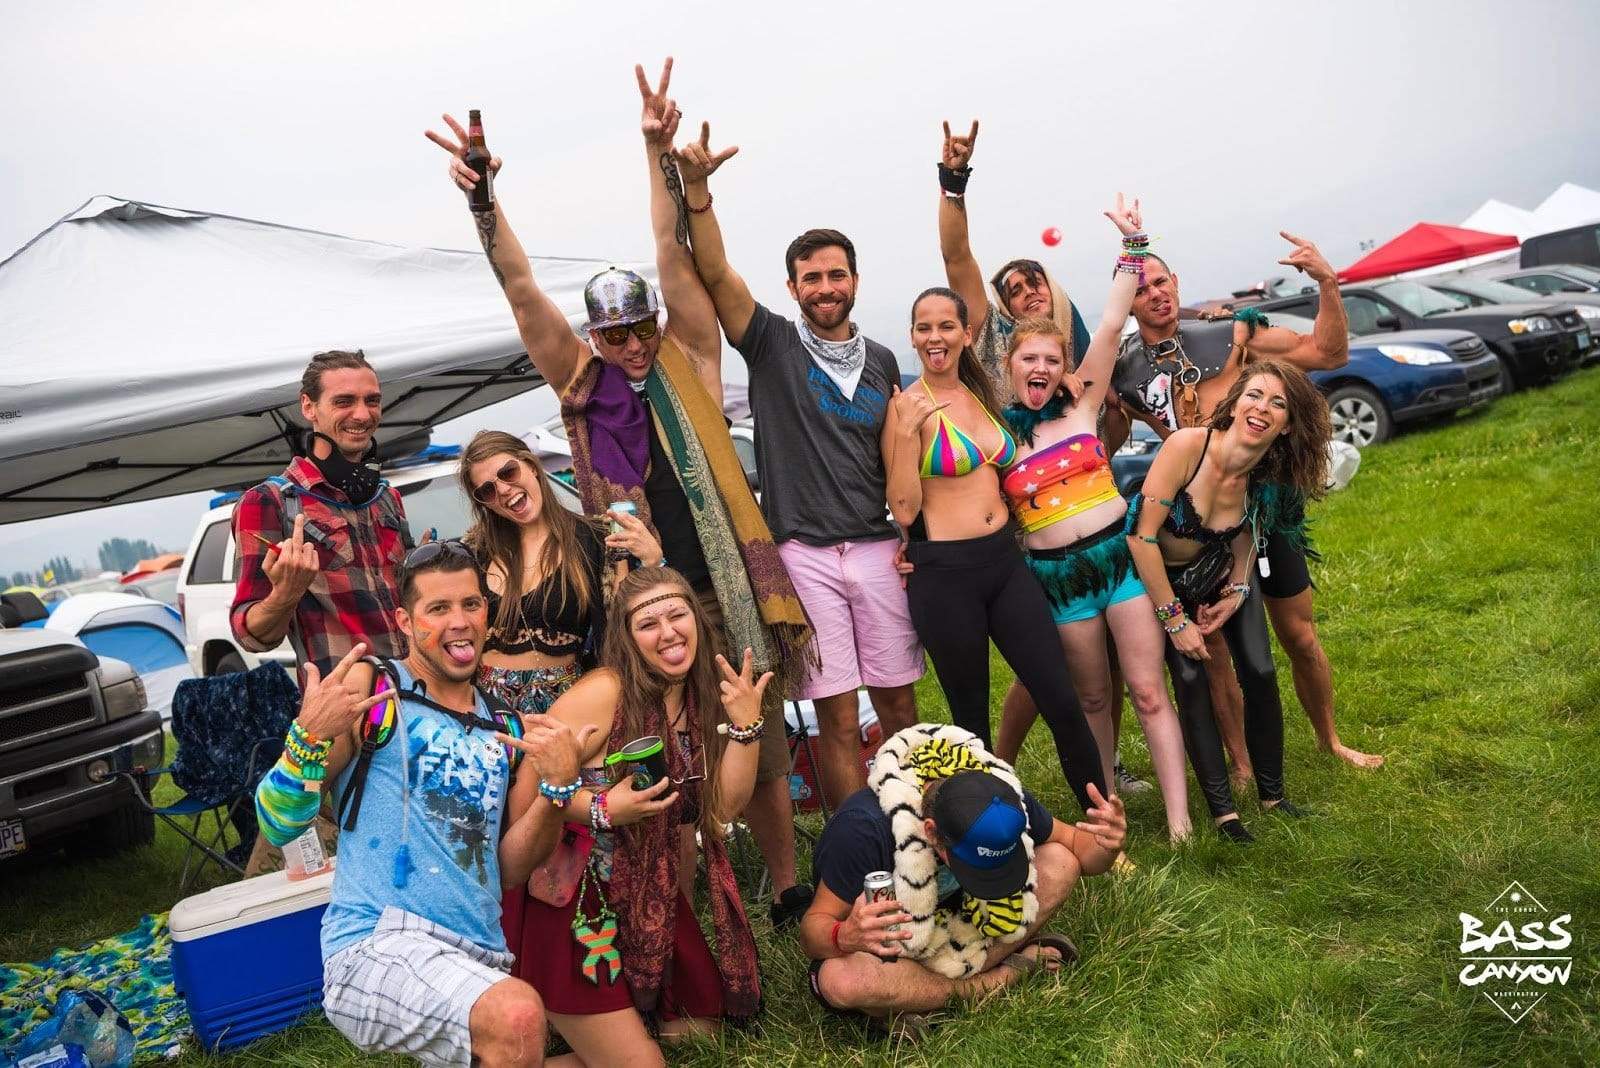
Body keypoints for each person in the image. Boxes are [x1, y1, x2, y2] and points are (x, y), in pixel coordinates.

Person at [424, 60, 817, 928]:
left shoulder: (692, 358)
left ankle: (785, 883)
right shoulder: (580, 383)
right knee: (663, 752)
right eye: (616, 334)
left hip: (723, 587)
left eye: (642, 327)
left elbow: (674, 255)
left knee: (761, 732)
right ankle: (682, 906)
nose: (634, 345)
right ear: (596, 336)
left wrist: (654, 153)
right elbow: (521, 290)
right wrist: (484, 202)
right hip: (637, 602)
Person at [252, 542, 585, 1067]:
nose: (460, 622)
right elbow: (277, 825)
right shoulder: (375, 691)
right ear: (406, 621)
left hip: (478, 954)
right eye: (439, 609)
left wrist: (558, 789)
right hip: (375, 943)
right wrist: (306, 740)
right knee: (519, 1017)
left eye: (471, 605)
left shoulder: (506, 727)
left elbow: (511, 869)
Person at [674, 125, 923, 810]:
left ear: (854, 280)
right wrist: (699, 196)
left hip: (876, 549)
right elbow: (719, 276)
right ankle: (862, 849)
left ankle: (923, 825)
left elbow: (895, 463)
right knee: (838, 720)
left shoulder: (881, 362)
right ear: (792, 286)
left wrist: (911, 537)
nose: (824, 287)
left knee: (899, 705)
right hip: (804, 555)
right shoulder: (773, 344)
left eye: (835, 274)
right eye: (810, 278)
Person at [1107, 243, 1383, 772]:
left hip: (1263, 506)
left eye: (1160, 282)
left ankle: (1330, 742)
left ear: (1176, 282)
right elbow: (1104, 441)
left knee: (1299, 634)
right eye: (1140, 288)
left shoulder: (1229, 334)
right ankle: (1241, 766)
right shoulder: (1124, 374)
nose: (1155, 294)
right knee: (1215, 656)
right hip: (1196, 526)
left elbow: (1327, 353)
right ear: (1128, 299)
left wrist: (1327, 283)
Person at [934, 121, 1149, 791]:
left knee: (1102, 662)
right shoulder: (993, 346)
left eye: (1036, 280)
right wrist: (954, 184)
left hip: (1096, 521)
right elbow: (958, 261)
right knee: (1052, 666)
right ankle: (1012, 759)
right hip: (1033, 543)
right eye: (1014, 284)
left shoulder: (1071, 341)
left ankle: (1106, 766)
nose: (1026, 289)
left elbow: (1099, 428)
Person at [497, 567, 767, 1065]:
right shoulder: (605, 690)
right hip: (571, 896)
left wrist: (747, 727)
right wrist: (602, 808)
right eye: (648, 623)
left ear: (696, 620)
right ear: (626, 637)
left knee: (701, 1027)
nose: (667, 633)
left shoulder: (698, 695)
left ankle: (617, 1029)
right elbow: (526, 792)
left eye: (676, 614)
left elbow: (724, 807)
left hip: (648, 884)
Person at [994, 197, 1191, 842]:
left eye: (1052, 360)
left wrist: (1134, 247)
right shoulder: (997, 440)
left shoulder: (1079, 411)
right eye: (1030, 361)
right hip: (1059, 580)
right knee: (1094, 702)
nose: (1042, 370)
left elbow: (1109, 324)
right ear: (1010, 367)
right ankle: (1110, 818)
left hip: (1118, 563)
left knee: (1147, 691)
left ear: (1062, 369)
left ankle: (1181, 820)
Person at [881, 285, 1106, 811]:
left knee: (1060, 698)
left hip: (1005, 565)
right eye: (924, 327)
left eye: (945, 326)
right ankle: (991, 839)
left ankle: (1102, 827)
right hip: (945, 575)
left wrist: (1067, 381)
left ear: (967, 333)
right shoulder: (907, 407)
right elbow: (905, 509)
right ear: (913, 336)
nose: (935, 338)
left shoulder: (983, 395)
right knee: (971, 723)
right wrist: (908, 437)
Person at [801, 723, 1125, 1032]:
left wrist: (1106, 845)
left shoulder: (1000, 798)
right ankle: (999, 980)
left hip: (966, 930)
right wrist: (843, 935)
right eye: (973, 865)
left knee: (1061, 862)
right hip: (898, 947)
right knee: (838, 980)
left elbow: (1078, 850)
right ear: (932, 833)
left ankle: (914, 1001)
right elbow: (813, 931)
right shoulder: (863, 829)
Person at [1125, 360, 1330, 841]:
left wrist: (1238, 590)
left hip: (1219, 569)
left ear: (1286, 426)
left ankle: (1273, 796)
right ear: (1235, 401)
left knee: (1259, 669)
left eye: (1278, 404)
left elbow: (1244, 535)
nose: (1262, 409)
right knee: (1192, 678)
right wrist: (1175, 621)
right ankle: (1224, 815)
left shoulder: (1266, 475)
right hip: (1157, 578)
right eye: (1255, 395)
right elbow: (1141, 540)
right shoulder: (1187, 448)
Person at [229, 348, 413, 874]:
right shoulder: (271, 503)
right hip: (339, 719)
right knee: (294, 870)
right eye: (345, 400)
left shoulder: (386, 500)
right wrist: (287, 592)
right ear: (309, 408)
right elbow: (251, 632)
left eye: (372, 400)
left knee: (388, 868)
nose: (362, 412)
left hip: (409, 706)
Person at [459, 429, 662, 717]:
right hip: (489, 711)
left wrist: (653, 561)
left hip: (569, 707)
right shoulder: (474, 553)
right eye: (487, 490)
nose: (503, 490)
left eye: (508, 472)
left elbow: (625, 620)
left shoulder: (595, 539)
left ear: (530, 465)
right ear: (483, 503)